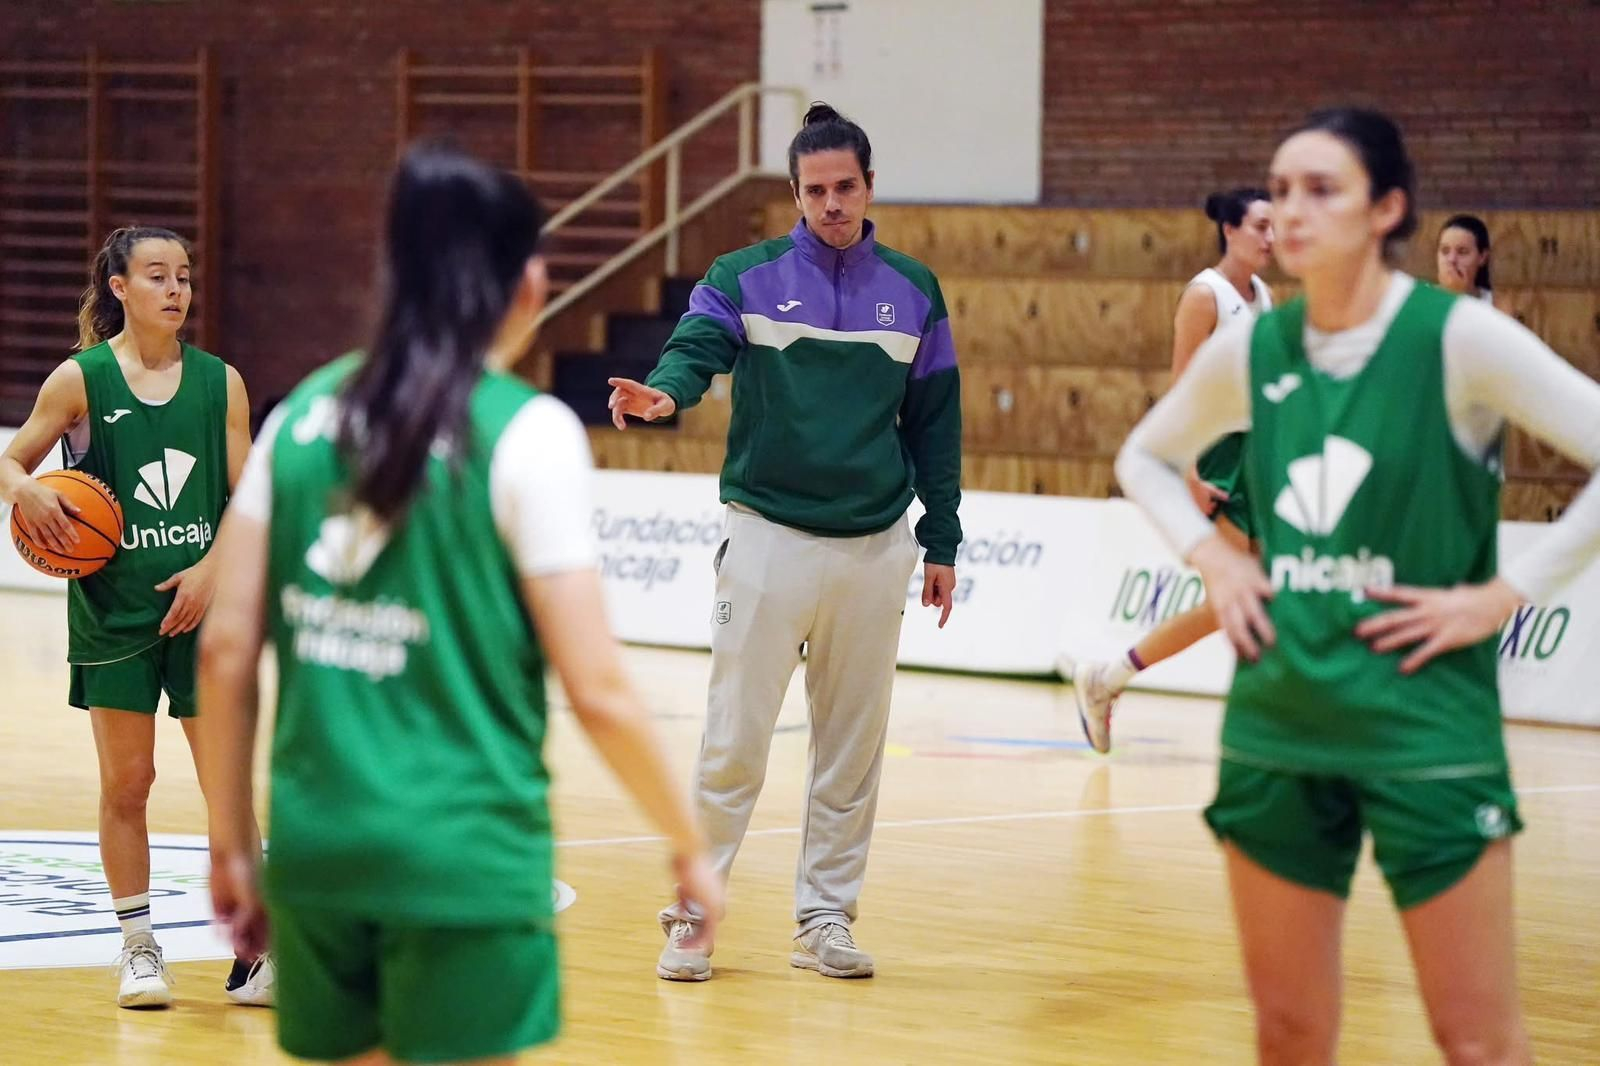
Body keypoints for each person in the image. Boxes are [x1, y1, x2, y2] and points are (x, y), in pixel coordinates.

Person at [196, 144, 720, 1065]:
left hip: (320, 853)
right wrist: (687, 843)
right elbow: (595, 685)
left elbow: (227, 648)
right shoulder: (528, 432)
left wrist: (233, 843)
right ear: (527, 285)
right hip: (462, 858)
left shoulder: (300, 417)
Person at [1116, 107, 1600, 1066]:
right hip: (1280, 718)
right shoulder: (1256, 346)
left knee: (1479, 1041)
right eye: (1281, 190)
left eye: (1321, 189)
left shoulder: (1458, 338)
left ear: (1387, 209)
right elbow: (1144, 455)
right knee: (1289, 1034)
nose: (1292, 211)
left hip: (1426, 722)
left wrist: (1503, 594)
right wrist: (1214, 557)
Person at [607, 102, 963, 982]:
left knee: (851, 748)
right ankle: (694, 916)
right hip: (766, 539)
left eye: (846, 187)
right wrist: (666, 393)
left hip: (876, 548)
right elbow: (696, 347)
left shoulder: (915, 290)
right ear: (794, 195)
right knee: (733, 742)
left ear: (870, 185)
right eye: (815, 191)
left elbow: (935, 423)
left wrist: (942, 537)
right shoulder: (744, 274)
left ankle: (824, 922)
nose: (832, 203)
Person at [0, 226, 270, 1009]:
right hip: (114, 614)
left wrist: (216, 569)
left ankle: (253, 955)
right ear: (119, 288)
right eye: (157, 275)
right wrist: (26, 489)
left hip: (207, 612)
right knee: (130, 782)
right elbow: (13, 459)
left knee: (228, 788)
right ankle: (139, 947)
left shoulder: (222, 382)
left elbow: (250, 498)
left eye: (184, 275)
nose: (176, 288)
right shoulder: (80, 380)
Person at [1067, 188, 1274, 752]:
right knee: (1245, 597)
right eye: (1260, 226)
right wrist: (1185, 474)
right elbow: (1182, 392)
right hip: (1217, 461)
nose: (1270, 238)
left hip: (1258, 459)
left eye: (1274, 227)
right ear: (1230, 230)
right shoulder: (1204, 296)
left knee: (1248, 599)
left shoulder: (1266, 297)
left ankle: (1107, 678)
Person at [1436, 213, 1495, 303]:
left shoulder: (1495, 305)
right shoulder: (1421, 299)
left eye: (1462, 252)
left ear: (1482, 257)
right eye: (1445, 251)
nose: (1452, 259)